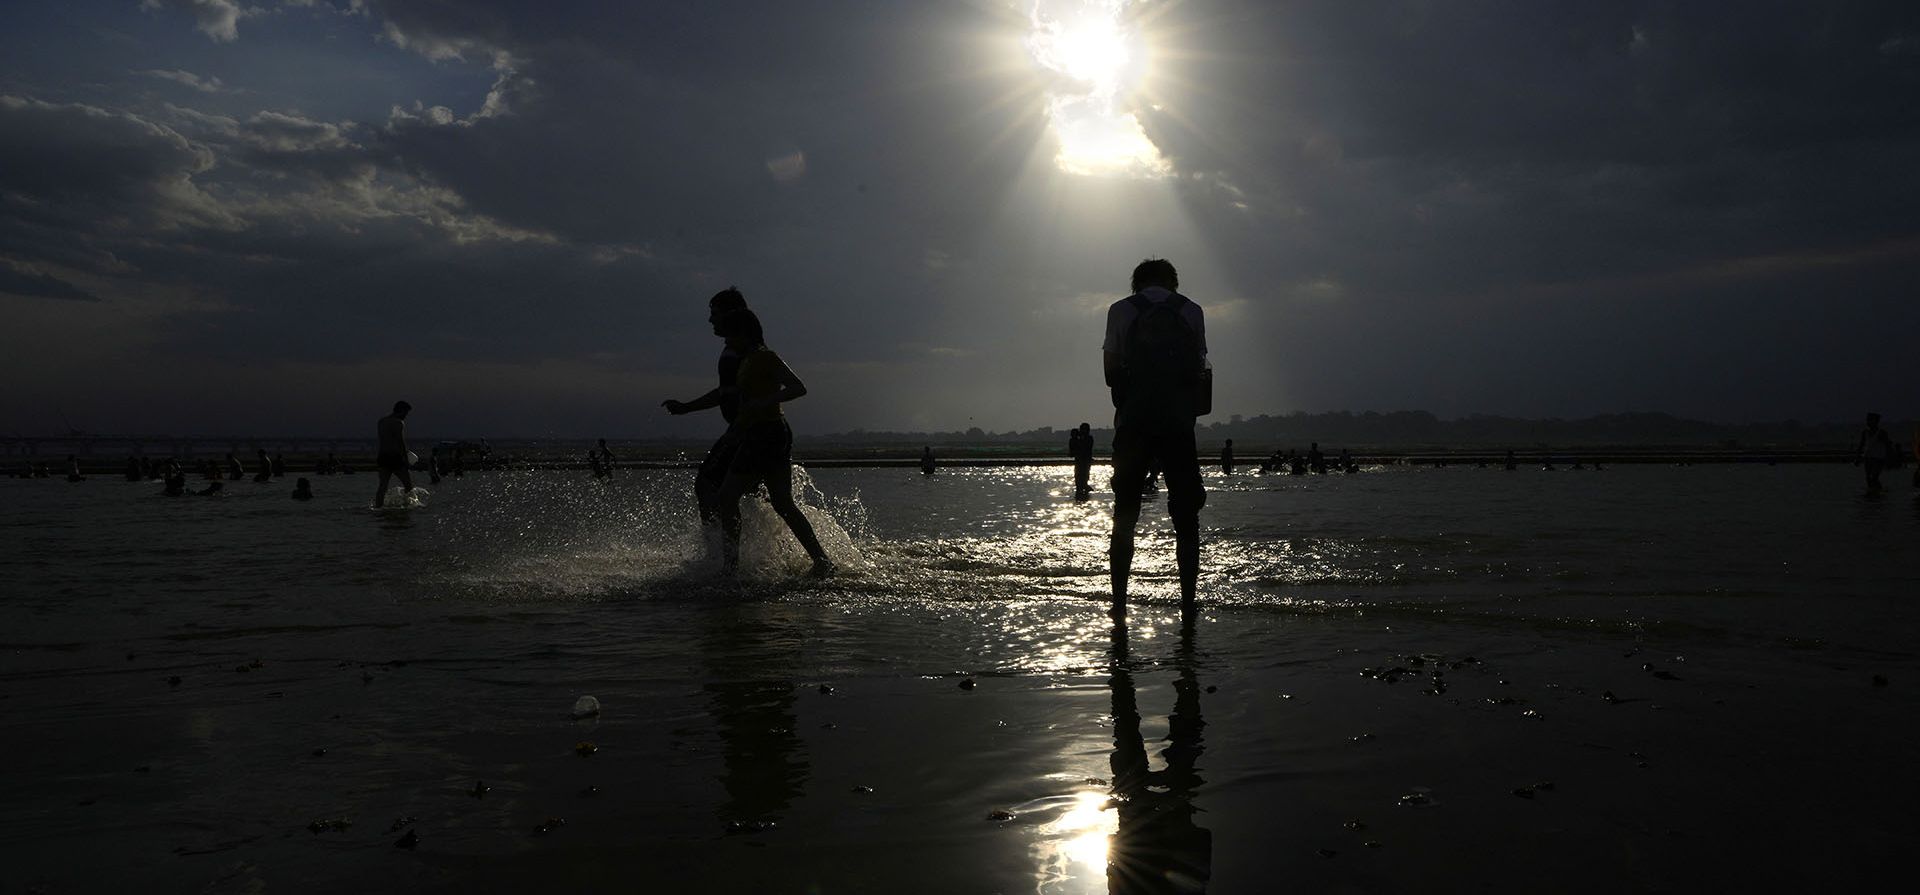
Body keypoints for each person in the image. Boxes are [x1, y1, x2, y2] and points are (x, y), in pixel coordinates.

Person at [1103, 258, 1208, 614]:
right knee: (1186, 518)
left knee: (1125, 514)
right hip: (1178, 426)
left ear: (1136, 282)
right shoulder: (1191, 311)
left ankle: (1119, 603)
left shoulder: (1120, 310)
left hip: (1134, 425)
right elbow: (1198, 371)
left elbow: (1110, 373)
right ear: (1172, 282)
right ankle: (1188, 603)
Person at [708, 308, 834, 577]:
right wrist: (738, 428)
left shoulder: (765, 357)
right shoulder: (747, 360)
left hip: (769, 433)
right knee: (782, 503)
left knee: (727, 497)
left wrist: (763, 402)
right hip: (761, 432)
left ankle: (730, 568)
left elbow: (798, 387)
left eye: (730, 335)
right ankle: (821, 560)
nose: (726, 341)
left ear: (744, 333)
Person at [663, 288, 753, 542]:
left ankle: (719, 553)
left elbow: (748, 392)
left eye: (715, 314)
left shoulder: (741, 350)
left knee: (706, 485)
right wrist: (686, 408)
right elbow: (724, 392)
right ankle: (736, 553)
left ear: (732, 315)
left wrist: (741, 428)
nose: (710, 320)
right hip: (744, 430)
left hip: (744, 432)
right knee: (762, 496)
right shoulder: (737, 349)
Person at [373, 401, 415, 507]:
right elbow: (400, 442)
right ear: (401, 411)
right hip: (395, 457)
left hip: (382, 457)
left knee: (382, 486)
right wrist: (406, 459)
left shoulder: (381, 421)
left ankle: (378, 508)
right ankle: (407, 507)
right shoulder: (398, 423)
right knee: (408, 485)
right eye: (406, 413)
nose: (406, 416)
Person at [1856, 412, 1888, 493]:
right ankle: (1872, 495)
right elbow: (1861, 445)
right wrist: (1858, 457)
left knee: (1874, 477)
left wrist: (1889, 458)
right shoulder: (1865, 432)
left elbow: (1888, 445)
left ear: (1876, 422)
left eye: (1870, 420)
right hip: (1868, 458)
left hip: (1879, 459)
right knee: (1868, 478)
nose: (1868, 422)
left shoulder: (1881, 433)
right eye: (1867, 420)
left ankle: (1880, 492)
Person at [1072, 423, 1094, 497]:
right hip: (1080, 461)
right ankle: (1081, 490)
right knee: (1079, 477)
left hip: (1085, 461)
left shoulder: (1088, 438)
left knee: (1084, 476)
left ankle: (1083, 490)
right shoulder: (1079, 439)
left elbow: (1087, 448)